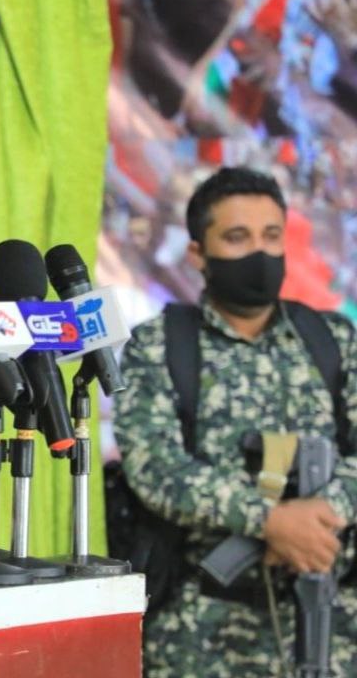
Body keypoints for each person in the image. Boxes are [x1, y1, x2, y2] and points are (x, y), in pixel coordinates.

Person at [115, 166, 357, 676]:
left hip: (330, 628)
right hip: (199, 634)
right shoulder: (161, 344)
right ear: (198, 253)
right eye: (237, 237)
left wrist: (319, 517)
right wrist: (269, 521)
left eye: (271, 236)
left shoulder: (333, 340)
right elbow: (154, 466)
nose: (259, 252)